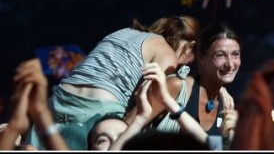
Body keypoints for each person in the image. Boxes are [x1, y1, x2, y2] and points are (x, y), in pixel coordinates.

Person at [26, 15, 199, 150]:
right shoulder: (167, 55)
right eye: (191, 59)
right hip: (97, 110)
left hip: (59, 99)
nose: (186, 64)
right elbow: (144, 100)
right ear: (190, 46)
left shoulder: (122, 32)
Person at [151, 22, 241, 149]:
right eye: (220, 55)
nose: (231, 64)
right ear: (202, 58)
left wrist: (233, 136)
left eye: (235, 54)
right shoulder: (177, 86)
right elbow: (129, 126)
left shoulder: (227, 106)